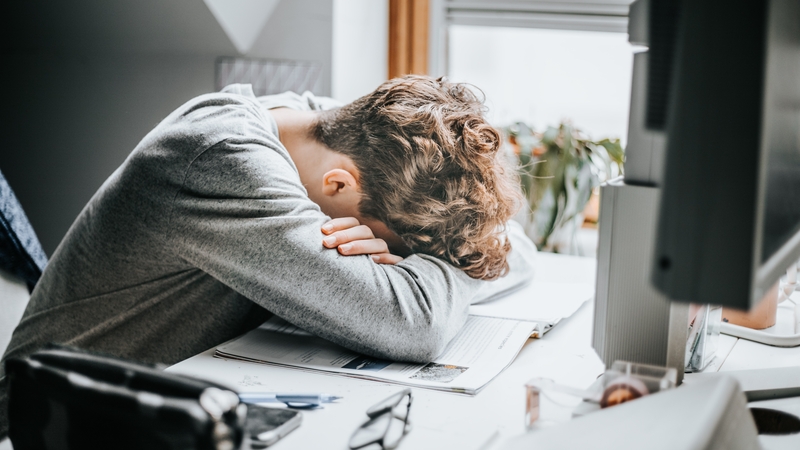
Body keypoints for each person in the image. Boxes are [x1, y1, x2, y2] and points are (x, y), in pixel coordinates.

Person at [0, 75, 534, 436]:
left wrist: (442, 256)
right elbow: (411, 322)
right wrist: (453, 265)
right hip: (53, 425)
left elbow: (515, 250)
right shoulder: (220, 158)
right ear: (339, 185)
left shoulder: (319, 129)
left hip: (182, 413)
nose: (385, 259)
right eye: (393, 248)